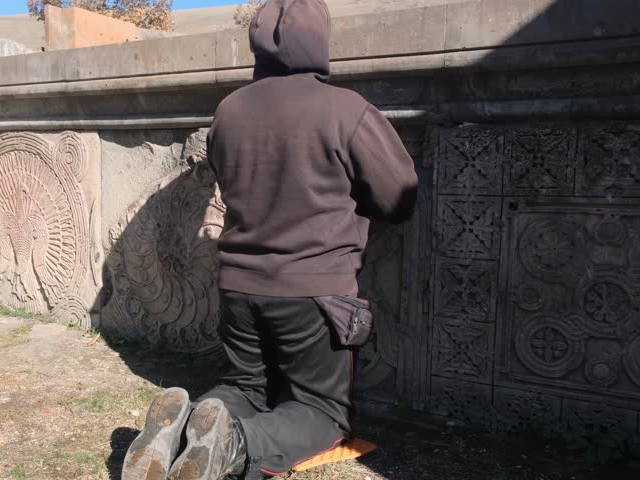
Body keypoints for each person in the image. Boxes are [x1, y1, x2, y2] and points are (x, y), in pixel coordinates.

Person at [122, 0, 419, 479]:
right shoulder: (346, 110)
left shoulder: (229, 111)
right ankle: (236, 445)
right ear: (319, 40)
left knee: (242, 387)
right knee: (323, 412)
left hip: (239, 288)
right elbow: (399, 199)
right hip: (314, 295)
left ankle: (172, 433)